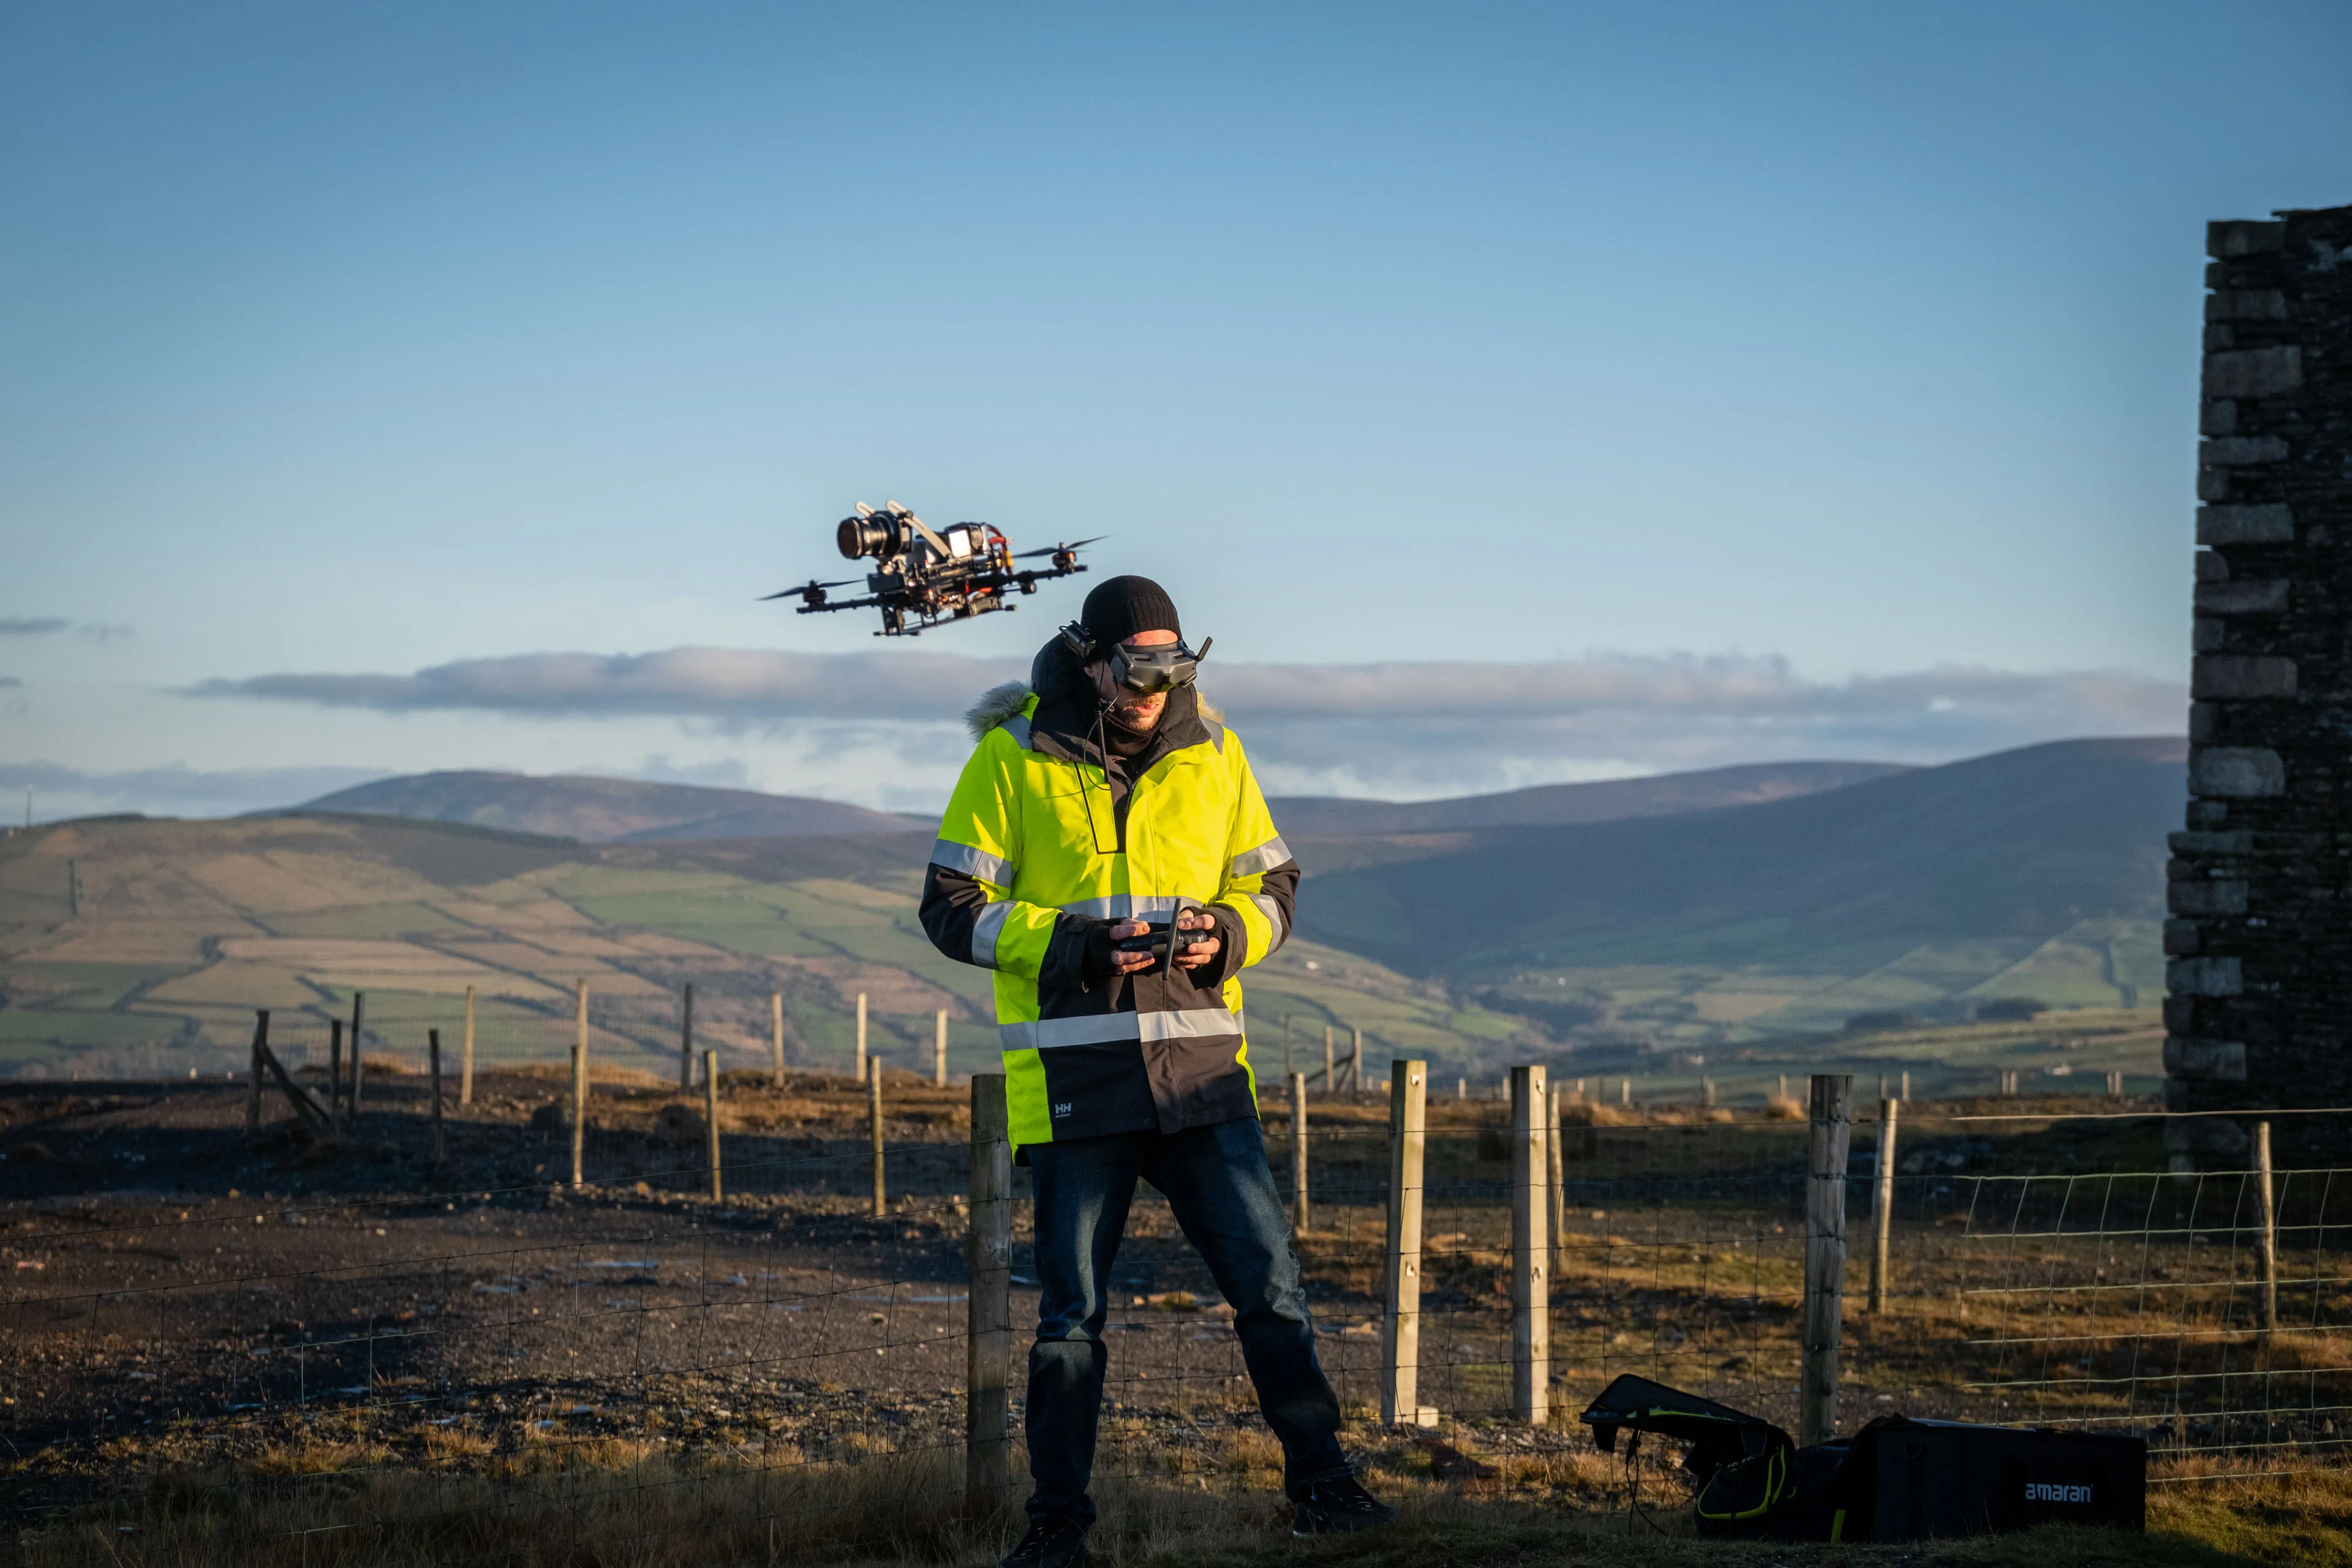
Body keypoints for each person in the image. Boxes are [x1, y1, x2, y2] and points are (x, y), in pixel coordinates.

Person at [921, 575, 1394, 1567]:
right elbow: (951, 909)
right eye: (1135, 669)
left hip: (1202, 1080)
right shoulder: (1010, 760)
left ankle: (1324, 1487)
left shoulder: (1217, 756)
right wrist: (1079, 947)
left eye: (1171, 669)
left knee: (1271, 1290)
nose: (1151, 689)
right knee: (1070, 1322)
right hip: (1076, 1089)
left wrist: (1225, 935)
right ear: (1091, 659)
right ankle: (1056, 1529)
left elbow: (1273, 883)